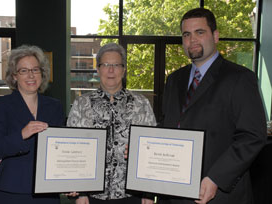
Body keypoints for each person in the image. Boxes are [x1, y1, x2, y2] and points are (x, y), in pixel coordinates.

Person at [159, 8, 266, 204]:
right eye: (186, 34)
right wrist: (144, 147)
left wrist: (216, 177)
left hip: (220, 195)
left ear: (215, 36)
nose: (192, 40)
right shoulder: (174, 80)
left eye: (200, 32)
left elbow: (252, 136)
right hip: (175, 192)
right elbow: (168, 125)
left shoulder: (240, 78)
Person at [67, 43, 157, 204]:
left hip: (131, 195)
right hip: (92, 195)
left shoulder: (141, 104)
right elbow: (72, 150)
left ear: (123, 70)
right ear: (98, 69)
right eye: (105, 65)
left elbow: (152, 151)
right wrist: (80, 192)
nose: (110, 70)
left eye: (116, 65)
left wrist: (148, 193)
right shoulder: (81, 104)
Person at [0, 45, 65, 204]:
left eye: (35, 70)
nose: (31, 75)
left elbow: (60, 150)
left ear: (42, 74)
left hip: (47, 190)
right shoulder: (0, 106)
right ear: (14, 76)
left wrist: (70, 179)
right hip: (13, 189)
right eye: (23, 70)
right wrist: (22, 135)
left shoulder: (55, 106)